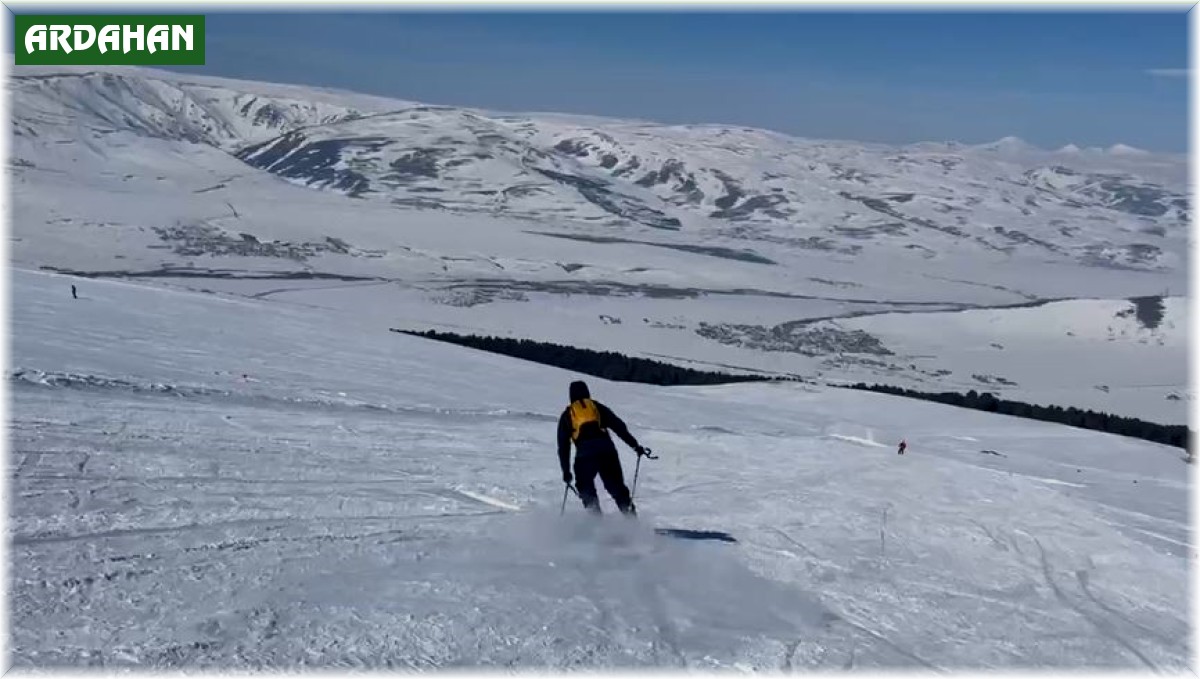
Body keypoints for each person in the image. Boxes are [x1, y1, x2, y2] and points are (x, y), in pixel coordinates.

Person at [557, 380, 647, 516]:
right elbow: (618, 426)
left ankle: (596, 522)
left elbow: (563, 446)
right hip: (607, 451)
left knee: (586, 489)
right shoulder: (596, 407)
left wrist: (566, 471)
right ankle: (631, 520)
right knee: (616, 488)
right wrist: (635, 445)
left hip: (584, 456)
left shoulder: (567, 415)